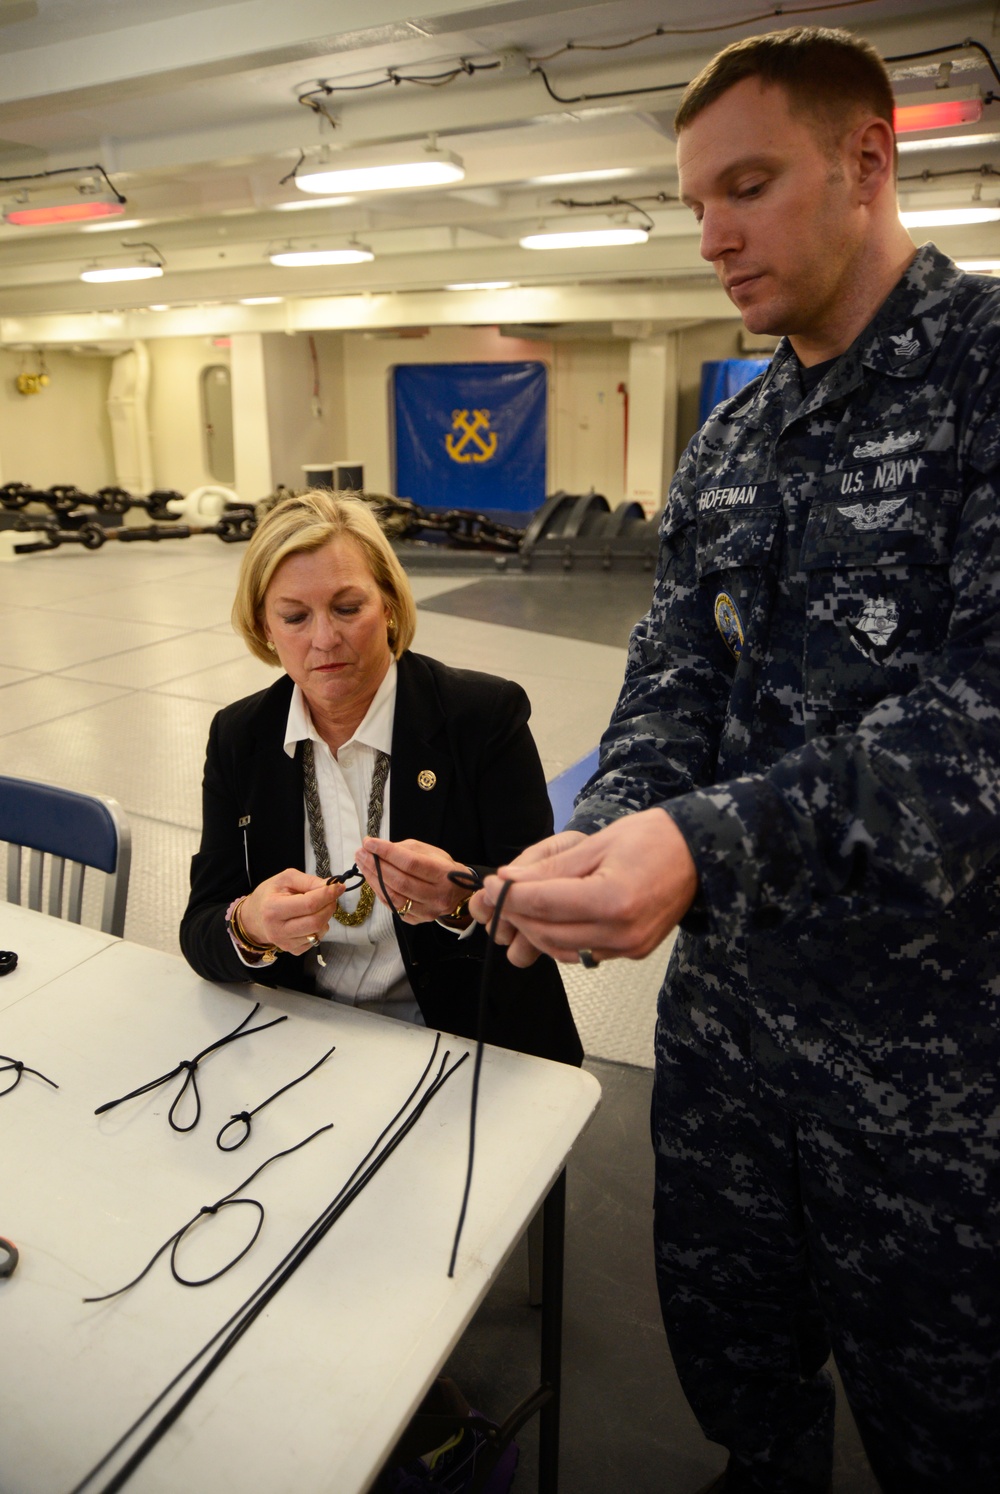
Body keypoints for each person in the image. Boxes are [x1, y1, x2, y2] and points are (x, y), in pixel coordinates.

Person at [471, 25, 1000, 1494]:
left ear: (871, 158)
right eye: (695, 199)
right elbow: (675, 668)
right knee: (743, 1388)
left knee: (947, 1433)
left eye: (750, 186)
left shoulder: (984, 382)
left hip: (940, 1068)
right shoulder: (735, 437)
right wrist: (620, 817)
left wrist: (702, 844)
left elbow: (982, 724)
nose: (711, 235)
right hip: (728, 1043)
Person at [180, 487, 581, 1067]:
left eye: (348, 608)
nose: (324, 639)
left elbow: (544, 902)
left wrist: (460, 899)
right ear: (264, 627)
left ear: (389, 605)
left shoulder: (481, 717)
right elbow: (201, 926)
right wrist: (250, 924)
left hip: (470, 1045)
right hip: (306, 1042)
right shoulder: (239, 737)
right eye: (294, 616)